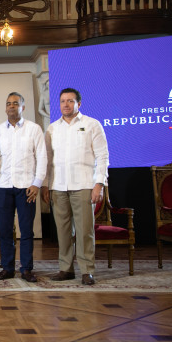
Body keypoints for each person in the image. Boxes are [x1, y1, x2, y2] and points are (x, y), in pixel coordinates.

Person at [42, 88, 109, 286]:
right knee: (63, 232)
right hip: (58, 186)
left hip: (84, 185)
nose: (66, 104)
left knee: (84, 231)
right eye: (63, 101)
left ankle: (87, 270)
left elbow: (102, 156)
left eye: (70, 101)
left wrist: (99, 184)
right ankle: (66, 269)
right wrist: (46, 185)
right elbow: (47, 160)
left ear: (79, 104)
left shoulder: (92, 124)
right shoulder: (52, 129)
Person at [0, 92, 47, 283]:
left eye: (15, 103)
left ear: (23, 107)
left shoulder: (34, 129)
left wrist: (37, 183)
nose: (11, 106)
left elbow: (42, 157)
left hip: (26, 187)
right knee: (5, 230)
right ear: (5, 108)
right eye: (8, 103)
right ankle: (7, 268)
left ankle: (26, 269)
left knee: (27, 230)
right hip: (3, 186)